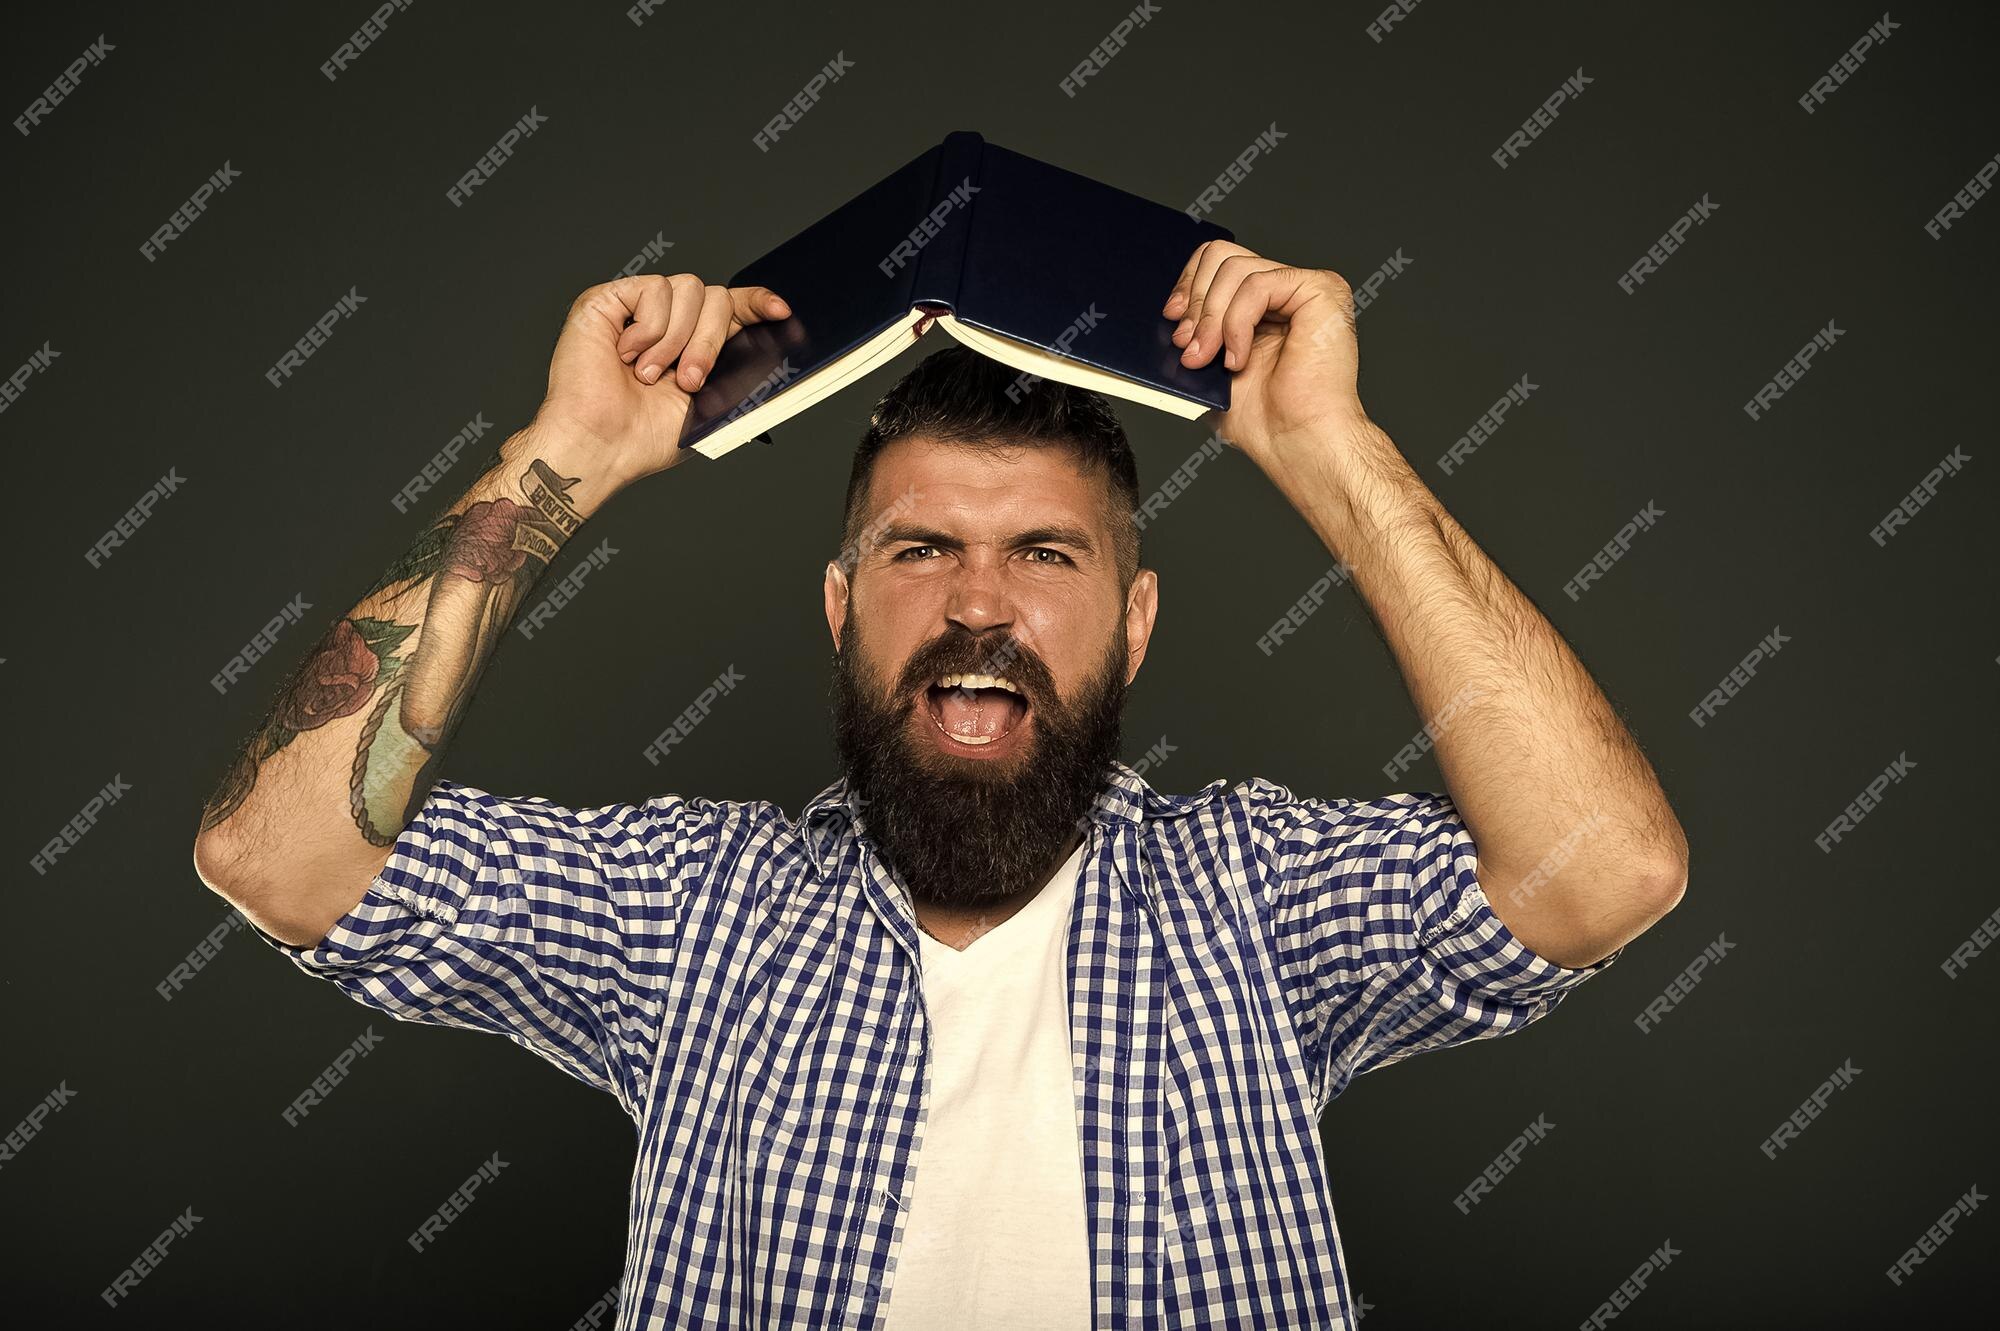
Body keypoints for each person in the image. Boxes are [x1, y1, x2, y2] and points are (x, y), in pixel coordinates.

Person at [192, 242, 1688, 1330]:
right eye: (921, 551)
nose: (982, 606)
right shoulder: (692, 909)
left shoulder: (1258, 895)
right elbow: (281, 857)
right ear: (842, 609)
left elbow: (1604, 871)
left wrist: (1330, 451)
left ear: (1138, 620)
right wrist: (564, 454)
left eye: (1047, 555)